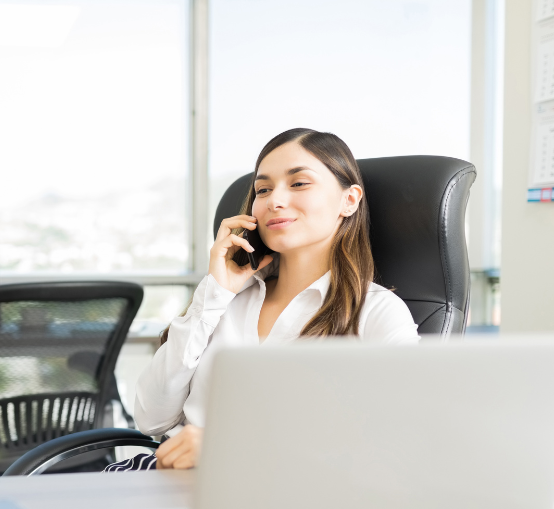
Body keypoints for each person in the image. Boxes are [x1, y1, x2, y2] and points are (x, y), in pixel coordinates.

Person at [105, 128, 419, 473]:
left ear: (349, 200)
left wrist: (226, 447)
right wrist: (215, 293)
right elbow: (150, 419)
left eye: (299, 183)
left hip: (285, 498)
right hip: (170, 483)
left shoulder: (376, 313)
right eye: (263, 189)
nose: (275, 200)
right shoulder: (224, 301)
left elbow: (399, 441)